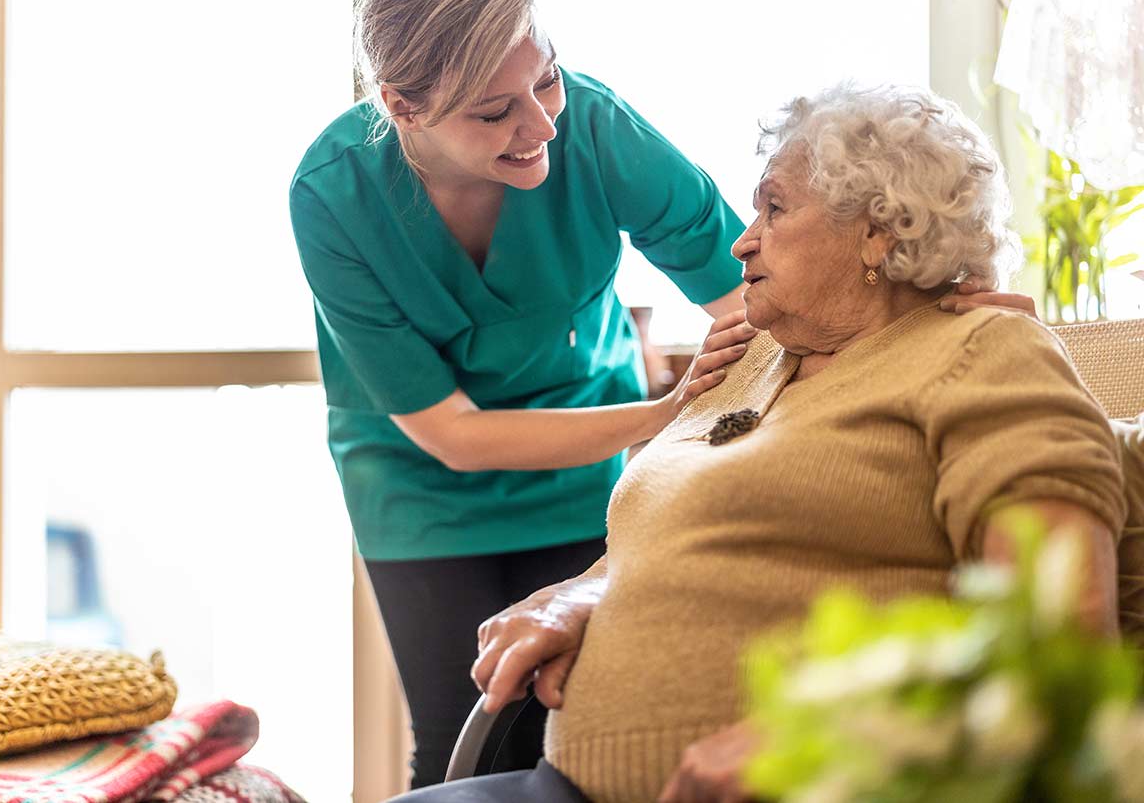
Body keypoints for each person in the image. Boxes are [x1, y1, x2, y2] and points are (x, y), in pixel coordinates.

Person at [291, 0, 1029, 787]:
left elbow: (760, 289)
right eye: (495, 112)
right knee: (453, 722)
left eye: (549, 80)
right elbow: (451, 434)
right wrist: (666, 414)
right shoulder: (333, 192)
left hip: (585, 451)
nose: (541, 125)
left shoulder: (597, 129)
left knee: (556, 713)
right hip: (418, 478)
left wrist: (936, 317)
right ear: (403, 106)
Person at [390, 84, 1127, 802]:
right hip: (566, 780)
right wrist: (585, 592)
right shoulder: (747, 358)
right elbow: (667, 535)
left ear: (879, 229)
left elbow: (1057, 645)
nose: (742, 241)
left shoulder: (985, 352)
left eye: (774, 208)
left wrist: (833, 740)